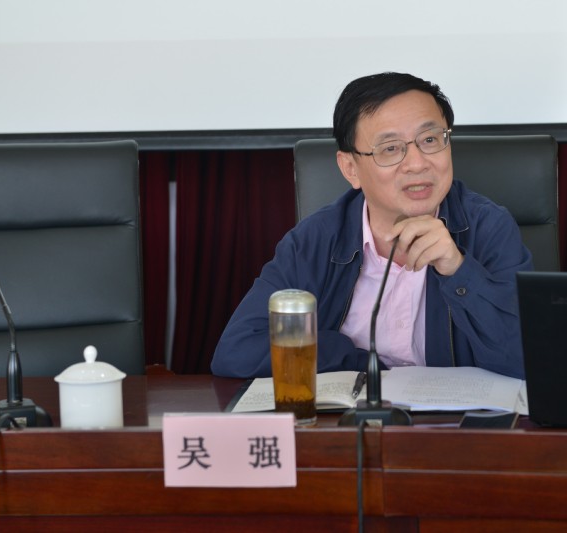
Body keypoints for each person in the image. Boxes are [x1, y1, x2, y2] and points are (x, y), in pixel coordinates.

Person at [211, 72, 531, 379]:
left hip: (453, 415)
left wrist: (458, 271)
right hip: (352, 413)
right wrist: (362, 363)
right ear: (350, 168)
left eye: (430, 139)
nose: (417, 163)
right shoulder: (314, 240)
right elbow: (239, 350)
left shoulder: (489, 228)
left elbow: (527, 360)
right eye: (390, 148)